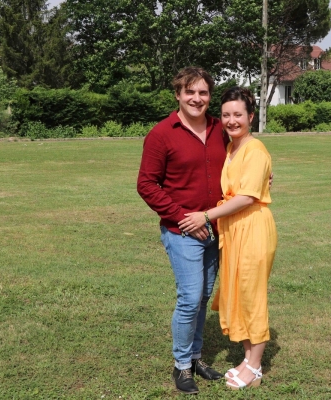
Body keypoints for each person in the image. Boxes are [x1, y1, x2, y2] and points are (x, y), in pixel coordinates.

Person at [179, 87, 277, 390]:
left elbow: (247, 196)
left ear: (251, 116)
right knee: (240, 294)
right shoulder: (233, 147)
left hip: (252, 229)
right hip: (234, 231)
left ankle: (256, 366)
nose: (231, 120)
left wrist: (206, 215)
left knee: (252, 296)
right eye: (225, 115)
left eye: (238, 115)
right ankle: (248, 359)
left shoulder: (254, 148)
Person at [137, 67, 226, 394]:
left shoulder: (220, 128)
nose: (197, 98)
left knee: (203, 297)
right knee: (190, 298)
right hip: (182, 231)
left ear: (209, 97)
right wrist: (180, 217)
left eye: (203, 93)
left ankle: (197, 357)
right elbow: (146, 184)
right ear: (178, 94)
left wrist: (262, 177)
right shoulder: (162, 133)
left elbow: (240, 159)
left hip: (216, 230)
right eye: (190, 92)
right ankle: (182, 366)